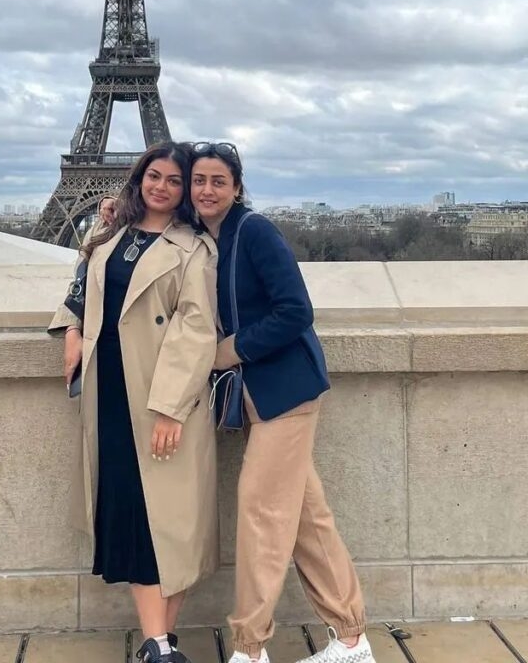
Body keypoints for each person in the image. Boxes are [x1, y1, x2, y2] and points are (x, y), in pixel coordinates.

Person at [190, 143, 376, 663]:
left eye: (218, 181)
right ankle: (351, 637)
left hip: (285, 392)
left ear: (237, 187)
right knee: (307, 519)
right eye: (199, 180)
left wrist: (235, 348)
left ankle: (250, 648)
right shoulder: (205, 234)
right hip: (260, 395)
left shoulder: (254, 231)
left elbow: (296, 309)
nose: (207, 190)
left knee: (261, 512)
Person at [48, 142, 219, 663]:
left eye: (174, 179)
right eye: (154, 176)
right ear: (139, 178)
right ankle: (159, 644)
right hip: (111, 395)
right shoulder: (110, 232)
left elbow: (195, 330)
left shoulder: (195, 248)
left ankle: (157, 643)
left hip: (164, 397)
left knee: (170, 524)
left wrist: (170, 406)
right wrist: (72, 326)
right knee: (134, 516)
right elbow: (84, 281)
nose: (162, 186)